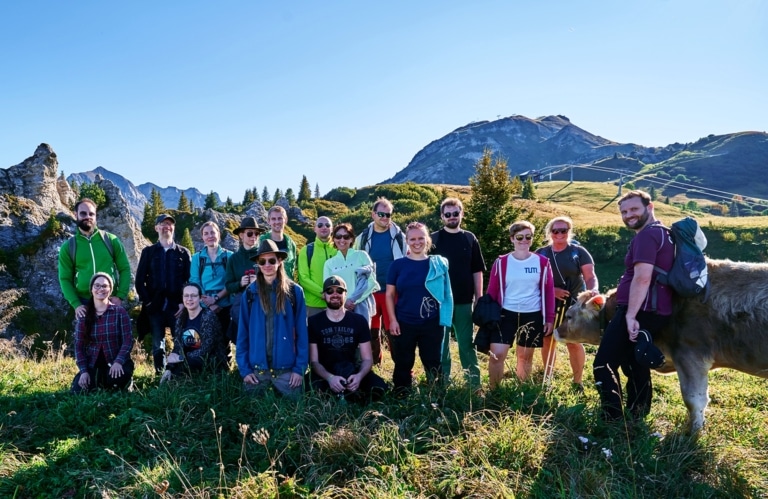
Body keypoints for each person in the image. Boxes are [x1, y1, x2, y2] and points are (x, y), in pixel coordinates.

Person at [593, 190, 674, 422]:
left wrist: (630, 315)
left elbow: (642, 277)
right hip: (657, 309)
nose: (628, 215)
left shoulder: (647, 236)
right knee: (634, 362)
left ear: (650, 207)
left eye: (634, 209)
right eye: (624, 212)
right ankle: (637, 414)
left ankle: (612, 418)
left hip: (640, 309)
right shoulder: (665, 234)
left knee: (603, 364)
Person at [486, 221, 555, 387]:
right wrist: (488, 316)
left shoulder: (542, 262)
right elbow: (492, 291)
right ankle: (494, 392)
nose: (524, 240)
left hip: (532, 314)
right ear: (512, 239)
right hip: (505, 314)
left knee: (524, 357)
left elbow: (548, 291)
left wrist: (549, 318)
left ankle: (521, 392)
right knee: (497, 355)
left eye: (528, 237)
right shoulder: (501, 262)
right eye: (519, 237)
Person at [236, 239, 308, 398]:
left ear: (280, 261)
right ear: (258, 264)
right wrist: (245, 371)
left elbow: (303, 334)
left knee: (294, 410)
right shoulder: (249, 293)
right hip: (257, 371)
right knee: (251, 410)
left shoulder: (295, 293)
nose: (267, 264)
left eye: (272, 260)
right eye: (262, 261)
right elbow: (242, 335)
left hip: (287, 370)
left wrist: (299, 370)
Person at [386, 222, 452, 393]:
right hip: (404, 321)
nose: (417, 242)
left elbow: (445, 293)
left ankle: (437, 395)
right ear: (407, 241)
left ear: (427, 240)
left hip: (431, 322)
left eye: (421, 238)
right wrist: (393, 320)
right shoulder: (397, 265)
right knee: (403, 362)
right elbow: (389, 295)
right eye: (412, 239)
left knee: (432, 361)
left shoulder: (437, 264)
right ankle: (401, 396)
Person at [536, 216, 599, 390]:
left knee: (573, 341)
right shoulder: (541, 253)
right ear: (550, 233)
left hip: (573, 305)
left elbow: (590, 276)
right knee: (548, 340)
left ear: (569, 231)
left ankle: (577, 382)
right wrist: (552, 291)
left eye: (563, 230)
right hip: (547, 303)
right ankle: (547, 380)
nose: (559, 234)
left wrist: (593, 292)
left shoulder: (579, 252)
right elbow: (534, 279)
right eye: (555, 231)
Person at [430, 197, 486, 388]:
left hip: (464, 300)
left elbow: (477, 269)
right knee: (441, 345)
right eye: (448, 214)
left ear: (461, 214)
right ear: (442, 217)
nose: (452, 217)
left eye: (456, 213)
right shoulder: (433, 239)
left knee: (466, 344)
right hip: (440, 301)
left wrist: (479, 297)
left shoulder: (469, 238)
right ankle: (442, 383)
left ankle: (473, 385)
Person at [307, 275, 388, 402]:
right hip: (325, 373)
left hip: (352, 370)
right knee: (312, 392)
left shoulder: (359, 321)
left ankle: (352, 395)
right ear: (324, 295)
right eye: (330, 291)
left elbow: (367, 359)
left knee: (379, 388)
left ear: (345, 294)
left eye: (339, 291)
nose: (335, 294)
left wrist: (359, 376)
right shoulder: (313, 322)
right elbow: (314, 362)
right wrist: (330, 378)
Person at [354, 197, 408, 365]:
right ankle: (373, 366)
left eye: (388, 214)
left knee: (396, 331)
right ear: (373, 215)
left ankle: (403, 370)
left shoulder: (400, 237)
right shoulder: (362, 238)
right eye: (381, 214)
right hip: (370, 292)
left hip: (393, 292)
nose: (385, 218)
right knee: (371, 331)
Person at [58, 198, 131, 319]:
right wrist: (76, 304)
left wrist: (120, 296)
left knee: (114, 337)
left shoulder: (111, 240)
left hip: (109, 300)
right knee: (86, 337)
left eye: (91, 214)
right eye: (83, 213)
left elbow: (124, 269)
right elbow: (65, 279)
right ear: (75, 215)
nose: (88, 217)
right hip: (85, 303)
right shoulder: (69, 247)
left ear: (96, 216)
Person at [136, 214, 192, 373]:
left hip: (177, 306)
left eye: (169, 224)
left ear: (173, 228)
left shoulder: (183, 253)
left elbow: (188, 280)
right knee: (157, 343)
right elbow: (140, 281)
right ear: (156, 228)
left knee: (180, 340)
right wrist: (147, 303)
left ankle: (177, 372)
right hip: (155, 305)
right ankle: (159, 374)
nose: (166, 226)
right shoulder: (148, 252)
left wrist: (184, 302)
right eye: (162, 224)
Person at [71, 272, 134, 394]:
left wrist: (118, 362)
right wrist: (84, 371)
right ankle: (97, 380)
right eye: (97, 286)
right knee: (78, 391)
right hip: (93, 365)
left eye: (105, 286)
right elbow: (79, 346)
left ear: (110, 289)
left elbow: (127, 341)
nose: (101, 289)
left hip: (115, 362)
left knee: (116, 383)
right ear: (91, 289)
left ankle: (124, 382)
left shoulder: (119, 312)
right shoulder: (84, 315)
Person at [160, 282, 228, 382]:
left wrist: (180, 358)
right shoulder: (181, 319)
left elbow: (206, 349)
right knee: (171, 376)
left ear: (200, 298)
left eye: (193, 296)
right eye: (186, 296)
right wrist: (169, 367)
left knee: (181, 369)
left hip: (211, 363)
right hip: (188, 360)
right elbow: (178, 346)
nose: (189, 299)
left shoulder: (208, 317)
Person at [190, 221, 234, 362]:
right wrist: (209, 303)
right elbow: (195, 282)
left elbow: (231, 281)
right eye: (206, 233)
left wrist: (215, 298)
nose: (210, 236)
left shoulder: (229, 256)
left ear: (219, 235)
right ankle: (207, 367)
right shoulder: (197, 258)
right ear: (202, 237)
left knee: (225, 338)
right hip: (204, 305)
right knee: (207, 338)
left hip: (225, 304)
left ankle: (224, 368)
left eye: (212, 232)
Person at [323, 223, 379, 325]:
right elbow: (328, 289)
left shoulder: (362, 255)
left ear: (352, 239)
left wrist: (353, 301)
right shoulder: (329, 263)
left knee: (362, 338)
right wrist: (344, 303)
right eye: (338, 236)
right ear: (334, 239)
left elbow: (371, 282)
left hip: (361, 306)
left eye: (346, 236)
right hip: (339, 308)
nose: (342, 240)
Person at [223, 217, 265, 343]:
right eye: (250, 233)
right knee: (242, 341)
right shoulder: (234, 259)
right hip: (241, 306)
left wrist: (258, 282)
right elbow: (228, 286)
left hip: (262, 303)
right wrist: (240, 283)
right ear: (241, 235)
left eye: (257, 233)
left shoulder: (263, 256)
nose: (254, 237)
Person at [297, 216, 337, 317]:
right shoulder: (306, 250)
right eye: (320, 225)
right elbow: (303, 278)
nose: (324, 227)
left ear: (332, 229)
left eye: (327, 225)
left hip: (337, 304)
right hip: (313, 305)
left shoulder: (339, 249)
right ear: (314, 229)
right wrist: (323, 294)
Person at [259, 205, 298, 278]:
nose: (277, 222)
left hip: (286, 287)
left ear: (285, 220)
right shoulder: (260, 242)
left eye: (280, 218)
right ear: (268, 221)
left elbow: (292, 269)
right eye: (273, 219)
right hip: (266, 287)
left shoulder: (291, 244)